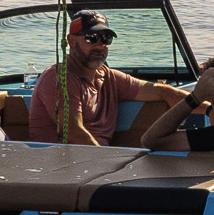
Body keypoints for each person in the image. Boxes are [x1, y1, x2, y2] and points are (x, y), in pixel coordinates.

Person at [24, 10, 195, 147]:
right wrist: (107, 164)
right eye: (91, 38)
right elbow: (74, 133)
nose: (99, 45)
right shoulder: (60, 78)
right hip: (57, 167)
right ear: (71, 41)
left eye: (106, 38)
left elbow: (162, 92)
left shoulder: (109, 77)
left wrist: (212, 111)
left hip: (95, 163)